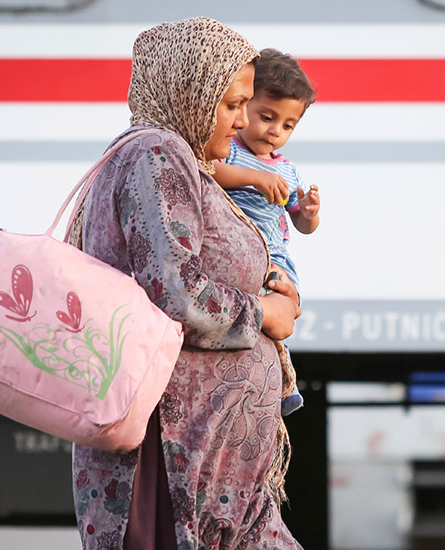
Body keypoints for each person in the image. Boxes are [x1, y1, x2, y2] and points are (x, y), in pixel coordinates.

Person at [70, 18, 303, 550]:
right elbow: (176, 294)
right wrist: (265, 313)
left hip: (208, 464)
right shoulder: (159, 154)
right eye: (231, 104)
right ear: (190, 89)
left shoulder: (168, 158)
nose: (243, 122)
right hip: (174, 458)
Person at [211, 48, 320, 416]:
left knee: (280, 319)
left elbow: (301, 224)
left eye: (287, 126)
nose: (275, 131)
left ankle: (282, 382)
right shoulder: (229, 152)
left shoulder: (288, 171)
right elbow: (210, 172)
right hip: (241, 249)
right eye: (266, 117)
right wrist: (255, 178)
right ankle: (266, 382)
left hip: (278, 255)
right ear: (245, 108)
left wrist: (308, 214)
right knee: (254, 314)